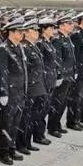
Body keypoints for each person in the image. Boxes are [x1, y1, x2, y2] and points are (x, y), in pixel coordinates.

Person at [0, 17, 27, 165]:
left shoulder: (19, 46)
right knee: (6, 123)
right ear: (11, 32)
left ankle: (11, 147)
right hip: (10, 92)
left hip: (19, 91)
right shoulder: (3, 49)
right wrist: (3, 92)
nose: (22, 34)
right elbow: (1, 72)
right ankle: (3, 151)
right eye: (19, 32)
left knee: (15, 122)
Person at [18, 19, 47, 154]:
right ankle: (21, 144)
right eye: (33, 30)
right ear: (26, 32)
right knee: (25, 118)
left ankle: (28, 142)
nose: (36, 32)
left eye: (36, 30)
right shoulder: (25, 48)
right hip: (30, 88)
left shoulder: (34, 46)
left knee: (32, 117)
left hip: (38, 87)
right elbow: (25, 71)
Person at [48, 14, 76, 138]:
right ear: (62, 26)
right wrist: (59, 75)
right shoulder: (57, 39)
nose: (72, 26)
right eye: (69, 24)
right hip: (63, 76)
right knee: (57, 102)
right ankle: (52, 127)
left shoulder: (67, 38)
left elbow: (71, 58)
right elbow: (57, 59)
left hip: (69, 74)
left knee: (64, 102)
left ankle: (57, 124)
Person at [34, 16, 58, 145]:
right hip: (44, 81)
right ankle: (38, 135)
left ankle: (39, 133)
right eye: (51, 28)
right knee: (41, 110)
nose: (53, 30)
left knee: (46, 108)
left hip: (51, 80)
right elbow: (41, 65)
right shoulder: (40, 44)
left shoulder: (49, 43)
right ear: (44, 29)